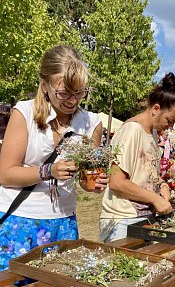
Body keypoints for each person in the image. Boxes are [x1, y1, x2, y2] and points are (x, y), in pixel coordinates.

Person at [0, 45, 107, 271]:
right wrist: (48, 171)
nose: (72, 100)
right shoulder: (25, 113)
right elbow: (6, 175)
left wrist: (93, 183)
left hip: (65, 223)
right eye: (63, 93)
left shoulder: (91, 122)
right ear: (44, 85)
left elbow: (82, 179)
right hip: (20, 221)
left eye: (79, 92)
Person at [99, 72, 175, 242]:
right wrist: (155, 199)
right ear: (155, 109)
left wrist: (162, 185)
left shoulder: (152, 133)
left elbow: (144, 172)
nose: (170, 127)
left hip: (140, 219)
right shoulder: (132, 130)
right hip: (123, 220)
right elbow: (117, 182)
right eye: (169, 121)